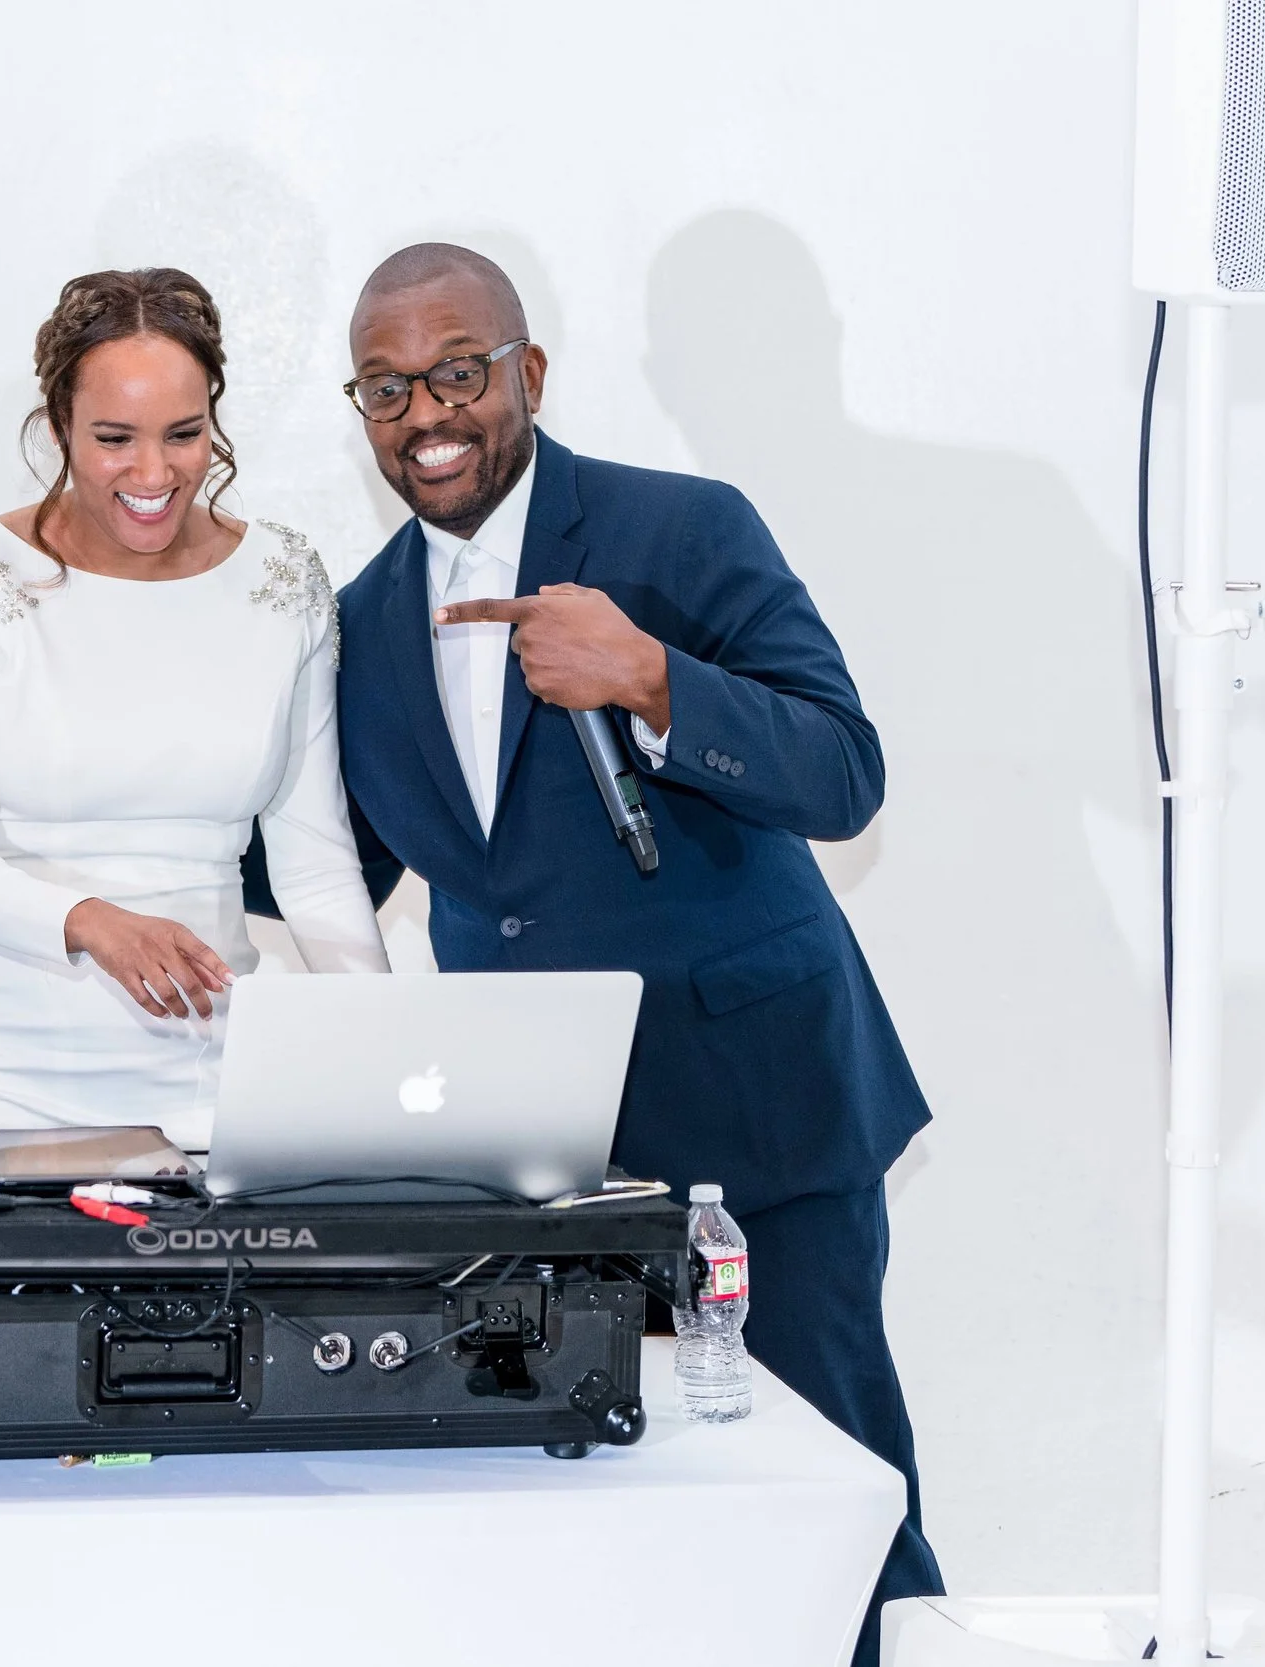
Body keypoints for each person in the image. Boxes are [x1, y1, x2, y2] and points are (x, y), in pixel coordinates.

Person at [326, 243, 942, 1664]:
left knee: (837, 1505)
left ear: (529, 374)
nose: (427, 412)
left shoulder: (682, 532)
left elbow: (845, 773)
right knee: (599, 1539)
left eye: (460, 371)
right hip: (536, 1165)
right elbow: (326, 871)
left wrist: (656, 678)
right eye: (386, 386)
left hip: (762, 1120)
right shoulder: (355, 626)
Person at [0, 267, 387, 1151]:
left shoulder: (282, 582)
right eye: (115, 437)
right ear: (59, 431)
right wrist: (90, 920)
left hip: (214, 1084)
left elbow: (313, 863)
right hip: (1, 1087)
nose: (154, 472)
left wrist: (394, 1053)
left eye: (185, 434)